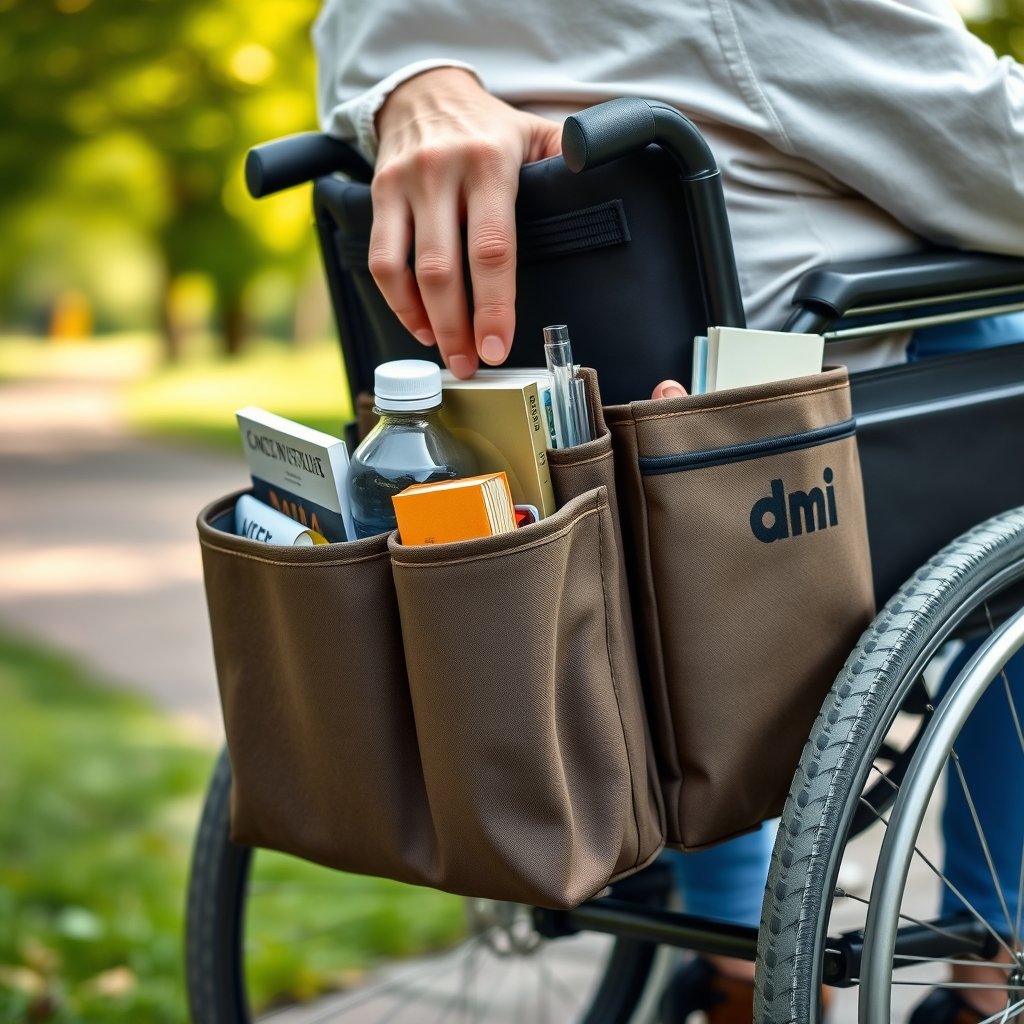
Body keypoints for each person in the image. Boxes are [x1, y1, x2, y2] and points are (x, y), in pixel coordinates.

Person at [313, 2, 1024, 1020]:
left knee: (665, 493)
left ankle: (733, 964)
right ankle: (993, 953)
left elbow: (351, 58)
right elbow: (997, 160)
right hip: (777, 449)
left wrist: (418, 86)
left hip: (562, 470)